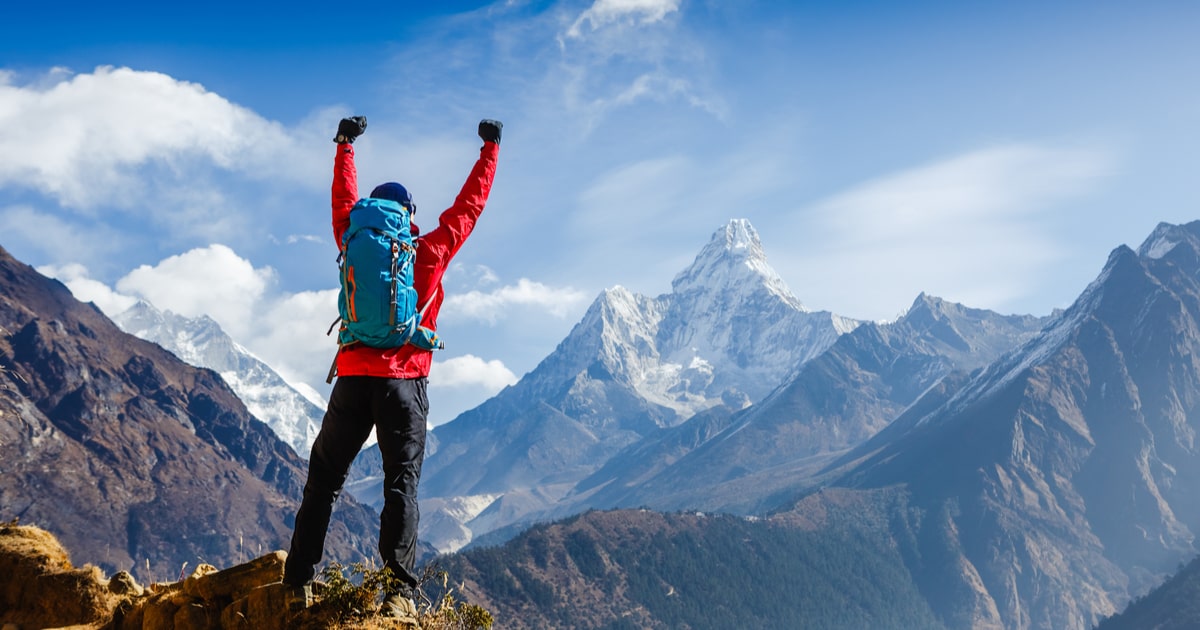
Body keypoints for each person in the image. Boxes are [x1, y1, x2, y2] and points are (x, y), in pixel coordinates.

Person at [283, 115, 502, 616]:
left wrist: (345, 146)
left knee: (324, 481)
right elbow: (470, 207)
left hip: (353, 379)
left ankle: (297, 582)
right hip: (404, 386)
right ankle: (398, 595)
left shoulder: (351, 239)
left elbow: (342, 199)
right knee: (400, 485)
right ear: (408, 217)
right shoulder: (428, 251)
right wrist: (489, 150)